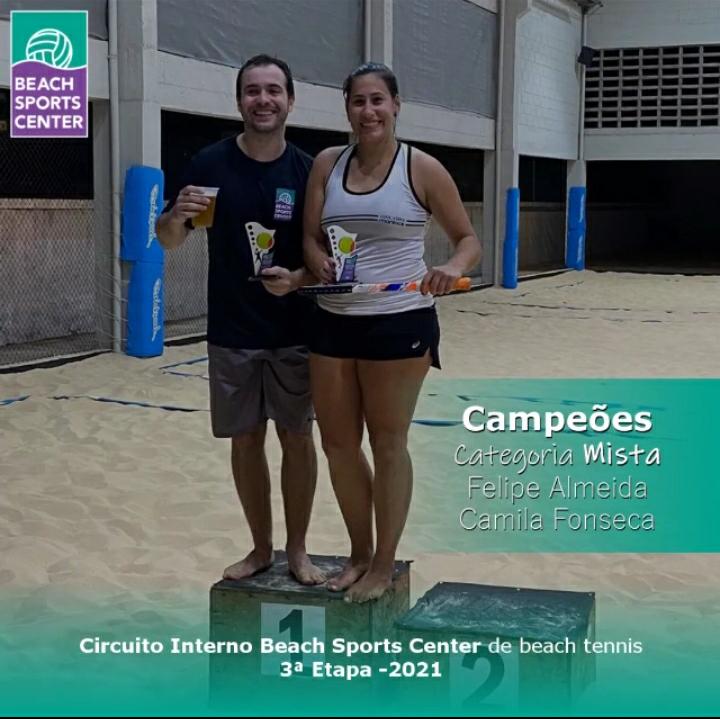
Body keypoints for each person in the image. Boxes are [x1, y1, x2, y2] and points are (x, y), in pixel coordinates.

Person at [303, 62, 482, 603]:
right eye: (359, 101)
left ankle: (383, 563)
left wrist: (451, 268)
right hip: (334, 319)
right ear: (348, 109)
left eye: (378, 100)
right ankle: (359, 552)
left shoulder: (421, 168)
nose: (369, 111)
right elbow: (311, 238)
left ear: (396, 105)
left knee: (387, 443)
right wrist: (317, 261)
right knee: (337, 444)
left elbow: (467, 239)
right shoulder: (327, 164)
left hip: (400, 321)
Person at [157, 55, 324, 585]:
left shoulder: (308, 170)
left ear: (291, 100)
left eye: (274, 90)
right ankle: (260, 548)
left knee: (297, 438)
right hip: (232, 329)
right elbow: (169, 239)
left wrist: (297, 278)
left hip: (295, 329)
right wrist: (171, 217)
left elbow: (324, 257)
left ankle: (298, 551)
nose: (263, 100)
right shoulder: (209, 164)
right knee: (245, 440)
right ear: (238, 102)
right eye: (253, 91)